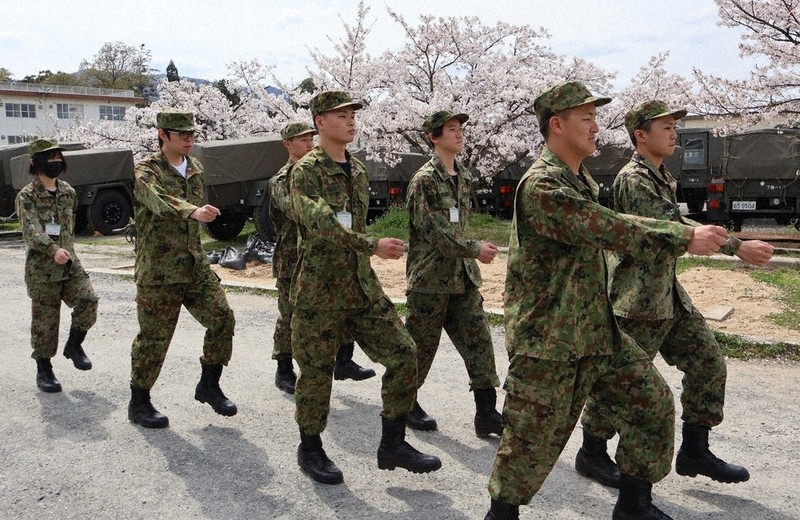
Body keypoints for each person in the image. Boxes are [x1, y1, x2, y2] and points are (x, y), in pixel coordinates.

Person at [484, 82, 730, 520]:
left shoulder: (580, 180)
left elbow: (607, 222)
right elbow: (604, 226)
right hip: (549, 341)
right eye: (587, 118)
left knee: (652, 404)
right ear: (557, 125)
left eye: (596, 118)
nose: (597, 127)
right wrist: (683, 236)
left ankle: (634, 505)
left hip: (597, 330)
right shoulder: (542, 184)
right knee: (528, 445)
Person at [575, 100, 773, 489]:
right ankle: (592, 452)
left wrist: (729, 243)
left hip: (667, 295)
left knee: (708, 364)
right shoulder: (634, 179)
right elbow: (668, 229)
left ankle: (695, 450)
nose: (674, 134)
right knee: (619, 383)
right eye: (665, 127)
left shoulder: (659, 175)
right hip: (638, 301)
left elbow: (676, 222)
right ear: (641, 135)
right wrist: (736, 246)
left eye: (674, 127)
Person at [288, 90, 441, 484]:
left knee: (405, 353)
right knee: (316, 373)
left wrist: (366, 249)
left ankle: (393, 443)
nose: (351, 121)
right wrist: (371, 245)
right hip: (320, 290)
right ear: (320, 122)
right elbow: (321, 225)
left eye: (353, 115)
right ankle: (310, 448)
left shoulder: (355, 169)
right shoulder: (304, 172)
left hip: (360, 287)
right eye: (342, 115)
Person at [128, 109, 237, 429]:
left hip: (194, 265)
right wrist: (192, 211)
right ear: (163, 134)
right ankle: (139, 401)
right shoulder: (146, 171)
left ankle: (209, 384)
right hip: (159, 270)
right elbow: (157, 201)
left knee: (222, 318)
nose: (189, 139)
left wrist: (203, 214)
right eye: (182, 134)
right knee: (154, 338)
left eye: (192, 134)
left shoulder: (196, 169)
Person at [404, 110, 503, 437]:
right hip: (430, 281)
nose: (459, 133)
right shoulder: (424, 180)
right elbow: (436, 232)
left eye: (461, 128)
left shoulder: (464, 176)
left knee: (480, 344)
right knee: (419, 350)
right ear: (434, 137)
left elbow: (457, 227)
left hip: (463, 278)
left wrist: (471, 253)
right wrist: (475, 249)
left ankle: (487, 413)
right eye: (451, 129)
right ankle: (404, 404)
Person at [269, 121, 376, 394]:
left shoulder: (325, 172)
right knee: (290, 315)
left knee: (346, 303)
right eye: (302, 140)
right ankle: (284, 369)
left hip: (328, 255)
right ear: (287, 144)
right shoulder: (282, 180)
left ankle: (343, 360)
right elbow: (297, 211)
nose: (309, 144)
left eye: (310, 139)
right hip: (293, 258)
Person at [17, 138, 98, 393]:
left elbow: (71, 226)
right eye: (49, 157)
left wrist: (65, 251)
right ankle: (44, 369)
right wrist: (53, 250)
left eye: (57, 157)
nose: (55, 161)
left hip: (70, 263)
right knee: (45, 323)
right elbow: (30, 230)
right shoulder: (27, 196)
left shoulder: (68, 192)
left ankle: (74, 345)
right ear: (35, 162)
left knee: (89, 300)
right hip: (42, 270)